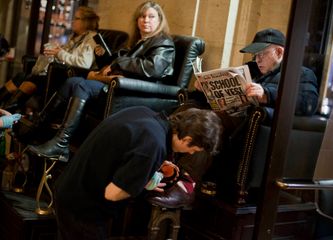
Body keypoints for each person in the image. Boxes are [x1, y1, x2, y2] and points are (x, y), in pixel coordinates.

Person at [27, 1, 175, 162]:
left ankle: (61, 144)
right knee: (72, 82)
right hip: (121, 84)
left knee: (83, 85)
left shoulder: (163, 42)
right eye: (142, 16)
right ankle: (38, 128)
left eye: (151, 16)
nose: (146, 20)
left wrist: (118, 63)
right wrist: (105, 57)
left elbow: (153, 68)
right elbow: (120, 60)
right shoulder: (141, 41)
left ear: (159, 20)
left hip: (135, 92)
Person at [53, 106, 222, 240]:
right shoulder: (153, 145)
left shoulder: (146, 114)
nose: (191, 154)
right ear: (187, 139)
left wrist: (144, 171)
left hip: (70, 188)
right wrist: (141, 183)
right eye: (193, 149)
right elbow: (113, 194)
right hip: (82, 209)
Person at [194, 28, 319, 119]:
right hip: (231, 117)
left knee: (204, 123)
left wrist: (267, 95)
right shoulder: (250, 68)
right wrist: (205, 88)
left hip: (248, 125)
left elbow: (308, 104)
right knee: (190, 114)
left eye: (262, 54)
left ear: (279, 52)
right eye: (255, 55)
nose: (257, 59)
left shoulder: (301, 74)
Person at [0, 6, 100, 112]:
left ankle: (5, 113)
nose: (72, 21)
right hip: (57, 73)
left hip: (69, 78)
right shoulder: (75, 37)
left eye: (76, 18)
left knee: (34, 79)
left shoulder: (91, 38)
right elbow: (63, 55)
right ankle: (4, 110)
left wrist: (59, 52)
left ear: (86, 21)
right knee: (22, 76)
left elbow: (84, 63)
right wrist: (55, 51)